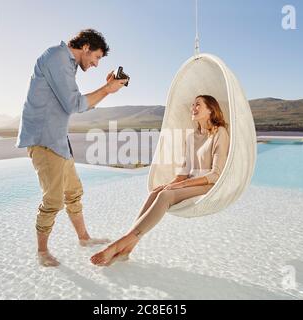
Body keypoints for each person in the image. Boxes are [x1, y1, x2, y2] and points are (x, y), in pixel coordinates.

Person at [16, 29, 128, 267]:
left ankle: (84, 238)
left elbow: (74, 103)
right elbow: (74, 104)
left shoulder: (66, 64)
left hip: (58, 139)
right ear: (85, 47)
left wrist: (106, 87)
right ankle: (42, 252)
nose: (96, 64)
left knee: (74, 191)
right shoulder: (57, 57)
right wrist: (107, 89)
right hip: (44, 139)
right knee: (54, 200)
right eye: (96, 57)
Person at [90, 95, 230, 266]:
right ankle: (128, 247)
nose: (193, 107)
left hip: (208, 186)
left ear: (210, 110)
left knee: (165, 196)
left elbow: (216, 174)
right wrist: (171, 184)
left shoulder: (220, 133)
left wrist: (181, 184)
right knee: (157, 191)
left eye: (198, 105)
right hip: (189, 182)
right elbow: (184, 172)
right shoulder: (191, 137)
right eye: (192, 104)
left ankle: (120, 244)